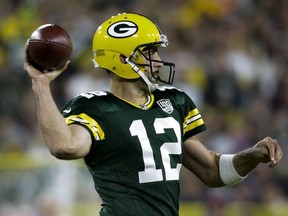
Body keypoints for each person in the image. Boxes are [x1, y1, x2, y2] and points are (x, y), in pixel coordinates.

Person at [24, 12, 283, 216]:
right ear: (121, 59)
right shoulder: (95, 108)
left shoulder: (173, 102)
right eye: (149, 52)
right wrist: (41, 83)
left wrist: (252, 155)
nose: (158, 60)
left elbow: (213, 171)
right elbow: (65, 146)